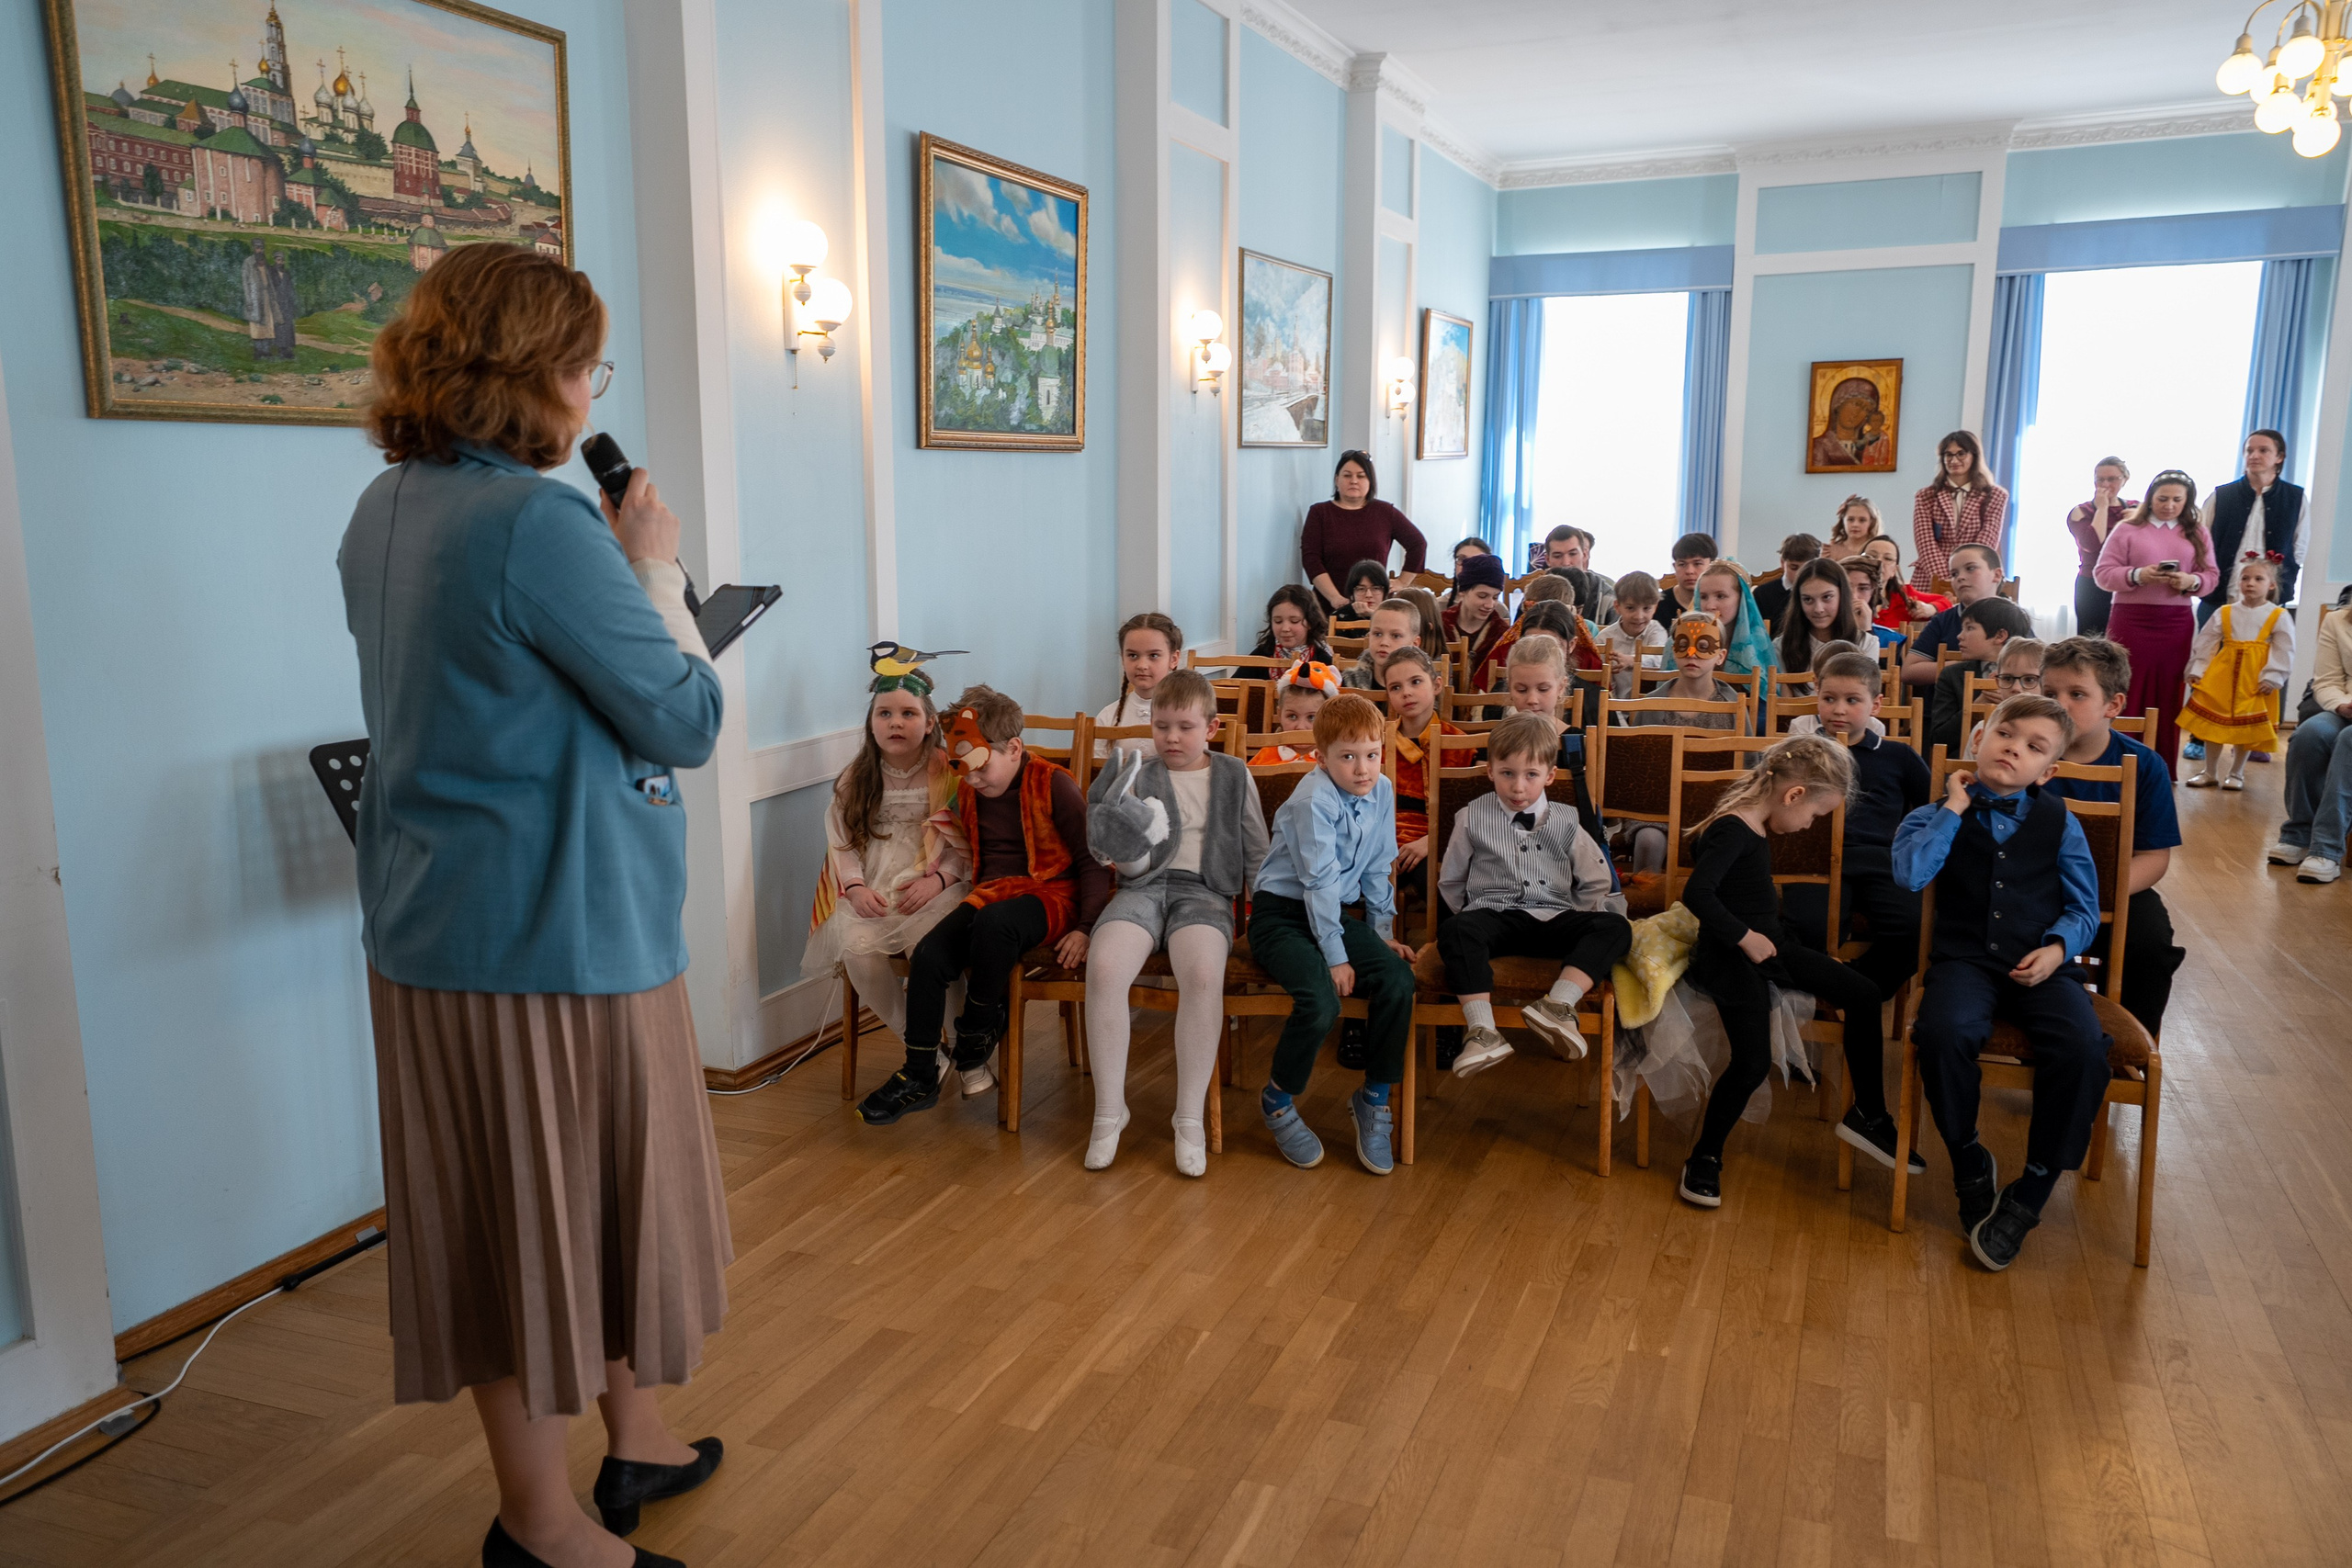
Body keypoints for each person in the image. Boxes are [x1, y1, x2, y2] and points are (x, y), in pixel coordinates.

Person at [338, 243, 729, 1568]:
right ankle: (540, 1524)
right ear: (539, 373)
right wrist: (654, 571)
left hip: (433, 919)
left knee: (547, 1206)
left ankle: (638, 1434)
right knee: (541, 1226)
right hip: (553, 936)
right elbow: (685, 719)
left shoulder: (384, 504)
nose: (586, 391)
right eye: (586, 365)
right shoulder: (539, 524)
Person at [1894, 694, 2108, 1272]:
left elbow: (2085, 908)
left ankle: (2034, 1186)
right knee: (1942, 1033)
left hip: (2042, 965)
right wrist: (1954, 808)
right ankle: (1967, 1156)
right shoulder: (1932, 813)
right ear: (1979, 738)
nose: (2014, 749)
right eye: (2005, 734)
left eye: (2034, 747)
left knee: (2083, 1047)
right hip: (1964, 962)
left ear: (2049, 771)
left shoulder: (2060, 823)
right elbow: (1910, 875)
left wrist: (2057, 948)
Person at [857, 685, 1109, 1122]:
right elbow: (952, 844)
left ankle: (977, 1032)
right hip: (992, 893)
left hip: (1052, 893)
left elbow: (1094, 861)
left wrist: (1087, 928)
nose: (971, 781)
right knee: (930, 954)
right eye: (965, 772)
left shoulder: (1054, 783)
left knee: (996, 923)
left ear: (1014, 748)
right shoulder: (971, 790)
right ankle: (919, 1072)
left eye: (980, 769)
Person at [1673, 737, 1904, 1206]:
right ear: (1794, 795)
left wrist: (1782, 948)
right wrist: (1745, 937)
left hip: (1772, 946)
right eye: (1815, 815)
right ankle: (1705, 1156)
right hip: (1729, 957)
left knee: (1863, 993)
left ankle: (1870, 1115)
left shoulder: (1754, 825)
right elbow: (1698, 894)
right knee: (1752, 1062)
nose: (1809, 825)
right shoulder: (1733, 828)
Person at [1080, 670, 1269, 1175]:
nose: (1172, 738)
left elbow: (1258, 852)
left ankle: (1189, 1118)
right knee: (1104, 967)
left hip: (1205, 893)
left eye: (1185, 727)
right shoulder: (1138, 773)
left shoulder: (1233, 774)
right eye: (1162, 726)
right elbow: (1120, 859)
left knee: (1203, 975)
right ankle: (1108, 1112)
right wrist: (1117, 843)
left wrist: (1263, 915)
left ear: (1211, 727)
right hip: (1143, 889)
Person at [1248, 692, 1419, 1174]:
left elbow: (1379, 866)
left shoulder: (1381, 790)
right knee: (1322, 1002)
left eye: (1371, 755)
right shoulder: (1313, 800)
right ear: (1321, 758)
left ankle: (1374, 1098)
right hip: (1281, 916)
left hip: (1331, 915)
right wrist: (1336, 957)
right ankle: (1278, 1100)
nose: (1362, 769)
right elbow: (1318, 882)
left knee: (1398, 980)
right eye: (1347, 757)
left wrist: (1381, 933)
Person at [1434, 712, 1634, 1079]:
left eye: (1531, 775)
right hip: (1495, 917)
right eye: (1507, 773)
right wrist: (1474, 915)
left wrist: (1576, 915)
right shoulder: (1472, 816)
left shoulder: (1567, 819)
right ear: (1490, 771)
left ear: (1550, 776)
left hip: (1554, 917)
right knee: (1456, 930)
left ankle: (1558, 1004)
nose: (1518, 787)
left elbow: (1596, 880)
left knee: (1616, 927)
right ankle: (1482, 1031)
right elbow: (1451, 880)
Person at [804, 664, 972, 1052]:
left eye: (908, 713)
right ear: (872, 722)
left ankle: (963, 1047)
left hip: (935, 882)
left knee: (928, 946)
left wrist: (940, 880)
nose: (896, 722)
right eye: (885, 713)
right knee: (857, 949)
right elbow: (842, 842)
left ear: (929, 723)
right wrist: (856, 888)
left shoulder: (947, 773)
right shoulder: (857, 778)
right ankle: (920, 1047)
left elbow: (964, 840)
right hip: (875, 885)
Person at [2039, 637, 2188, 1040]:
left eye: (2077, 694)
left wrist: (2096, 892)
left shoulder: (2145, 765)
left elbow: (2154, 857)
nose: (2059, 705)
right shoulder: (2025, 754)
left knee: (2151, 946)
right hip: (2031, 886)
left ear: (2114, 705)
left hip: (2113, 889)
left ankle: (2129, 1047)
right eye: (2049, 694)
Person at [1781, 650, 1930, 1006]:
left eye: (1852, 700)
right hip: (1816, 859)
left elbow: (1933, 807)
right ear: (1817, 697)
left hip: (1882, 861)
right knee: (1807, 927)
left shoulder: (1898, 756)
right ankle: (1824, 991)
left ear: (1876, 705)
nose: (1839, 710)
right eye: (1829, 699)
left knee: (1917, 926)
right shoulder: (1800, 753)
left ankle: (1858, 989)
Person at [2093, 469, 2217, 764]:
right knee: (2125, 687)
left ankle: (2161, 766)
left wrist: (2191, 581)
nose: (2169, 505)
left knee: (2169, 692)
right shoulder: (2126, 529)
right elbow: (2102, 574)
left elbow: (2211, 576)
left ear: (2187, 502)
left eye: (2177, 500)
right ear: (2150, 498)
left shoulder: (2198, 533)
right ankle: (2118, 763)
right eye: (2163, 499)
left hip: (2175, 623)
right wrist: (2138, 575)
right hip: (2130, 620)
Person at [2183, 554, 2294, 789]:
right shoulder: (2225, 612)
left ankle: (2236, 773)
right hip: (2222, 675)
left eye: (2258, 579)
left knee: (2245, 728)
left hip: (2254, 678)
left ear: (2271, 585)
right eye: (2245, 578)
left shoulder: (2278, 615)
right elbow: (2206, 641)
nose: (2250, 583)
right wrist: (2198, 669)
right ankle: (2209, 771)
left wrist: (2273, 676)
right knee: (2213, 725)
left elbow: (2285, 648)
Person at [2267, 590, 2352, 885]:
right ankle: (2299, 835)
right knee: (2309, 735)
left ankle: (2326, 848)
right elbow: (2327, 680)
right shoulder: (2337, 621)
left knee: (2349, 741)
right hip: (2346, 705)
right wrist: (2341, 705)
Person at [1383, 646, 1474, 874]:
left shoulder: (1460, 744)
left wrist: (1430, 842)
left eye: (1415, 682)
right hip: (1384, 840)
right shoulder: (1378, 743)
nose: (1406, 692)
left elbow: (1472, 811)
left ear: (1436, 685)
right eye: (1395, 687)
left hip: (1444, 839)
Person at [1301, 450, 1427, 613]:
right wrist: (1335, 598)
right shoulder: (1319, 513)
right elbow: (1311, 559)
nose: (1354, 481)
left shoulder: (1385, 512)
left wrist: (1402, 582)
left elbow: (1418, 544)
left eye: (1361, 476)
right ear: (1337, 480)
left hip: (1375, 607)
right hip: (1329, 605)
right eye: (1347, 475)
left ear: (1370, 481)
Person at [2203, 429, 2306, 615]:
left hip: (2270, 600)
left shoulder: (2295, 498)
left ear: (2279, 457)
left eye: (2263, 450)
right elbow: (2202, 540)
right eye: (2249, 451)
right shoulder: (2222, 496)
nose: (2254, 456)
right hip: (2219, 595)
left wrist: (2285, 576)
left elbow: (2300, 546)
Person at [1928, 598, 2034, 761]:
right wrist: (1975, 708)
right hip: (1966, 761)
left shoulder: (2034, 675)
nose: (1959, 636)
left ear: (1999, 636)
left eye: (1969, 628)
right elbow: (1938, 739)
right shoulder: (1952, 676)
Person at [1910, 430, 2007, 591]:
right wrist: (1947, 581)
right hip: (1931, 578)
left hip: (1975, 579)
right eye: (1948, 455)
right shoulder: (1925, 496)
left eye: (1961, 454)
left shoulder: (1995, 496)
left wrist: (1964, 576)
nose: (1954, 460)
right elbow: (1925, 543)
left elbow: (1986, 542)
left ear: (1974, 456)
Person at [1900, 543, 2003, 694]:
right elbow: (1909, 672)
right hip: (1946, 704)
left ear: (1997, 575)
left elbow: (2032, 667)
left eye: (1970, 568)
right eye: (1954, 574)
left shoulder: (2014, 618)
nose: (1960, 577)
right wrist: (1966, 667)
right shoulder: (1942, 621)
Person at [2064, 457, 2134, 637]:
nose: (2105, 485)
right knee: (2092, 642)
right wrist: (2102, 508)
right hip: (2092, 585)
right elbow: (2092, 545)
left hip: (2127, 583)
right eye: (2100, 480)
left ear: (2125, 479)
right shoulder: (2081, 511)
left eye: (2112, 479)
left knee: (2125, 639)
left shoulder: (2136, 509)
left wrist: (2136, 521)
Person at [1097, 611, 1182, 759]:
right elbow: (1097, 770)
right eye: (1133, 655)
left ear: (1173, 659)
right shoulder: (1107, 717)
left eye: (1153, 655)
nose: (1142, 665)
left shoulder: (1189, 715)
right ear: (1123, 658)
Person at [1776, 557, 1878, 678]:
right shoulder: (1782, 646)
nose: (1818, 609)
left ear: (1842, 595)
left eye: (1827, 597)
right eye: (1808, 599)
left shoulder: (1866, 644)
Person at [1442, 552, 1511, 693]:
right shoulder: (1441, 625)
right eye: (1482, 596)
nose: (1490, 605)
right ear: (1463, 591)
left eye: (1495, 597)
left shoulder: (1502, 634)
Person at [1963, 638, 2045, 758]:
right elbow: (1967, 769)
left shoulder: (2052, 733)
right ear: (1997, 682)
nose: (2016, 688)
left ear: (2047, 683)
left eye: (2029, 679)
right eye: (2007, 679)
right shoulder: (1984, 728)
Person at [1253, 657, 1340, 763]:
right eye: (1292, 716)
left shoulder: (1335, 759)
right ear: (1280, 715)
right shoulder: (1266, 755)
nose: (1300, 727)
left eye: (1312, 717)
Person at [1600, 570, 1671, 698]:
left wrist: (1632, 661)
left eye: (1646, 608)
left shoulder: (1657, 631)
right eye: (1630, 608)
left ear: (1655, 607)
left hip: (1649, 704)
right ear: (1617, 606)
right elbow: (1603, 682)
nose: (1639, 616)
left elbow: (1660, 661)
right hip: (1615, 704)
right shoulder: (1603, 638)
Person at [1810, 378, 1894, 468]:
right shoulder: (1818, 446)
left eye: (1866, 409)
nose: (1857, 412)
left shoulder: (1872, 445)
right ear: (1838, 404)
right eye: (1856, 404)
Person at [1344, 597, 1420, 691]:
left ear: (1414, 644)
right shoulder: (1349, 683)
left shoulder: (1424, 688)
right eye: (1378, 634)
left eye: (1396, 636)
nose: (1384, 642)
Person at [1543, 525, 1617, 621]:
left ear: (1585, 555)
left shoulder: (1607, 599)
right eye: (1557, 556)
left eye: (1573, 554)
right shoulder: (1535, 595)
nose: (1566, 563)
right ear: (1547, 560)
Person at [1753, 533, 1822, 633]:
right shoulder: (1762, 594)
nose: (1800, 574)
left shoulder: (1823, 593)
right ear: (1782, 563)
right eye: (1794, 568)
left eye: (1807, 568)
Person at [1252, 583, 1334, 666]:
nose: (1285, 628)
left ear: (1310, 622)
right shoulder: (1258, 658)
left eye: (1294, 621)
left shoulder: (1323, 661)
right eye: (1278, 621)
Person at [1663, 532, 1716, 619]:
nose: (1689, 571)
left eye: (1697, 564)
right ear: (1674, 567)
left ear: (1712, 566)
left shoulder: (1720, 604)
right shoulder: (1656, 604)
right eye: (1682, 564)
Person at [1339, 561, 1391, 625]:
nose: (1368, 595)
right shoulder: (1340, 616)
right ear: (1352, 593)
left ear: (1385, 592)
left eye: (1376, 588)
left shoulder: (1395, 613)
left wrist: (1373, 615)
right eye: (1361, 589)